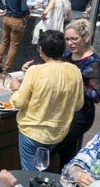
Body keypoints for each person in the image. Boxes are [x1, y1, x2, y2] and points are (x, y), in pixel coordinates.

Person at [9, 30, 84, 170]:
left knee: (30, 174)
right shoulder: (74, 71)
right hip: (57, 133)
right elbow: (78, 104)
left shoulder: (35, 71)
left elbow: (19, 102)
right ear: (63, 48)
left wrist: (15, 89)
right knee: (41, 169)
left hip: (31, 131)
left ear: (41, 49)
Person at [55, 19, 100, 166]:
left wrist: (74, 82)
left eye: (74, 39)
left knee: (52, 147)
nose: (70, 43)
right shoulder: (66, 56)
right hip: (62, 111)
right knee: (67, 155)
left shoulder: (94, 63)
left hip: (79, 115)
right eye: (67, 39)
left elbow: (96, 95)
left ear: (86, 38)